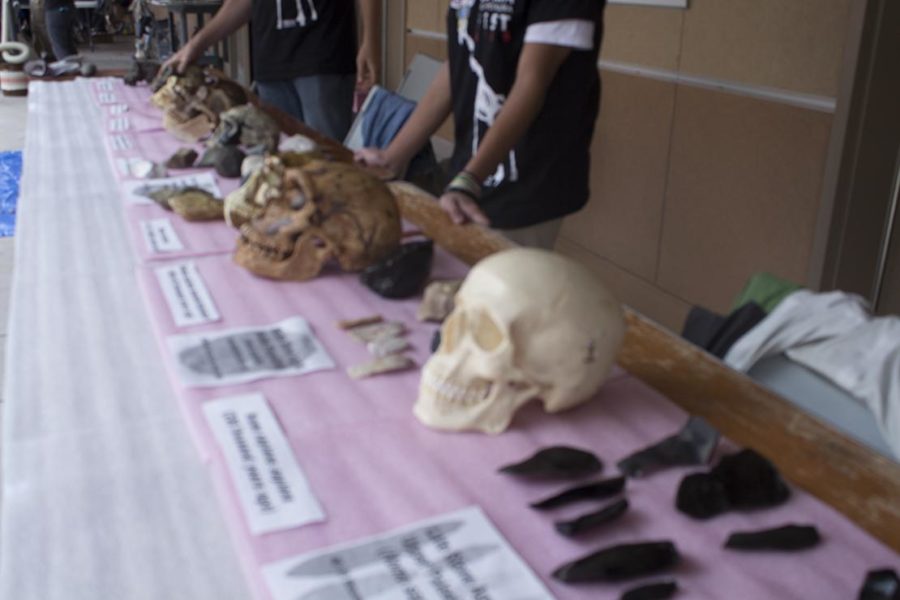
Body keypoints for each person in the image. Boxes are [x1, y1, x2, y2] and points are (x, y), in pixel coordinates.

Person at [356, 0, 605, 249]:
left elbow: (533, 82)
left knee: (500, 280)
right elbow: (457, 64)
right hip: (471, 169)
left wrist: (469, 180)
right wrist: (393, 156)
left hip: (528, 179)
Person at [165, 0, 381, 141]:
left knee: (327, 164)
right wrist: (197, 44)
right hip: (271, 64)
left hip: (322, 56)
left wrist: (370, 39)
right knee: (281, 164)